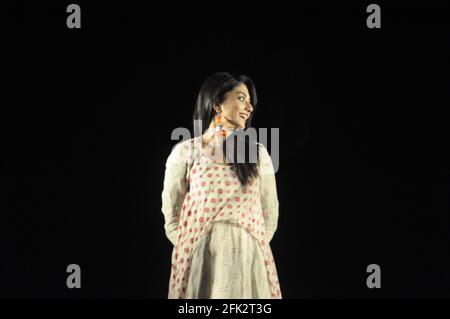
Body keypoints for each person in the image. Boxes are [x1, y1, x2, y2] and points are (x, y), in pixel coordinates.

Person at [161, 72, 281, 298]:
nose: (249, 107)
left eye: (250, 101)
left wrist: (249, 248)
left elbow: (270, 212)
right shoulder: (186, 153)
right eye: (241, 98)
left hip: (248, 263)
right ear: (217, 103)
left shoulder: (258, 154)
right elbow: (172, 215)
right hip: (202, 262)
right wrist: (193, 249)